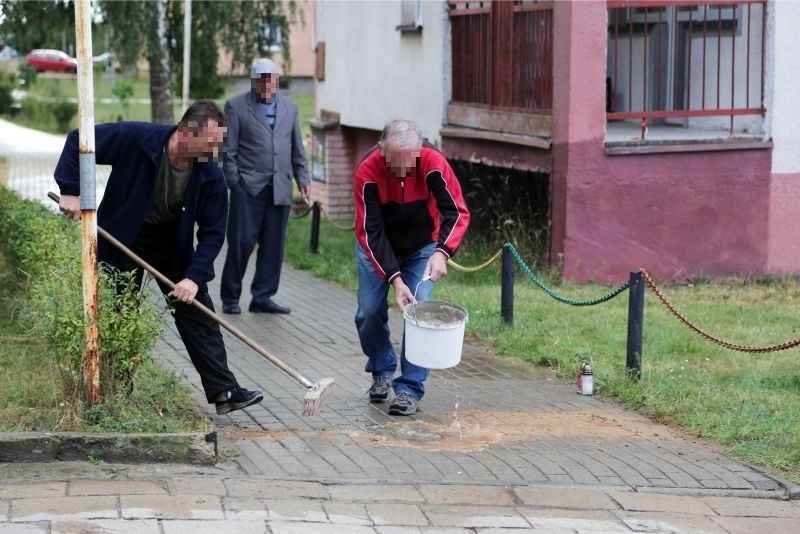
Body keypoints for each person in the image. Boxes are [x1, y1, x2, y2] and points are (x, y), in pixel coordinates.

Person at [54, 100, 264, 416]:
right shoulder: (137, 139)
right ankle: (113, 390)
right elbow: (77, 139)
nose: (212, 153)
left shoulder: (209, 173)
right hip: (124, 235)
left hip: (171, 242)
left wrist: (194, 277)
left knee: (197, 312)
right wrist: (70, 189)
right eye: (207, 144)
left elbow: (212, 233)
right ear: (184, 131)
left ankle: (224, 391)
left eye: (217, 145)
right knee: (117, 312)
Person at [354, 119, 470, 416]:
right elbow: (371, 232)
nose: (404, 171)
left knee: (420, 313)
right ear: (382, 151)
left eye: (411, 162)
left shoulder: (432, 161)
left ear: (419, 153)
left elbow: (455, 211)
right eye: (396, 163)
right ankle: (381, 369)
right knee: (368, 311)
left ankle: (408, 389)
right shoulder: (367, 171)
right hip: (378, 245)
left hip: (422, 246)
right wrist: (395, 279)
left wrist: (442, 253)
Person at [219, 57, 310, 315]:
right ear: (253, 82)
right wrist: (235, 183)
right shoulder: (235, 107)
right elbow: (227, 151)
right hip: (248, 189)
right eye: (262, 81)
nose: (268, 86)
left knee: (273, 246)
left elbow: (297, 149)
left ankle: (262, 297)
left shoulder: (290, 108)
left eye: (272, 80)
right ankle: (230, 297)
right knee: (241, 243)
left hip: (280, 188)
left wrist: (303, 179)